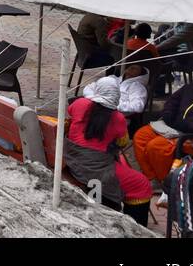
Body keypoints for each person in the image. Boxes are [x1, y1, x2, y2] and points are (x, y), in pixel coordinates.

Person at [64, 78, 154, 225]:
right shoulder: (117, 118)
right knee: (141, 185)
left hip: (72, 157)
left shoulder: (79, 103)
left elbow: (71, 114)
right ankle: (135, 229)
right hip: (95, 168)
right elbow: (123, 142)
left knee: (122, 164)